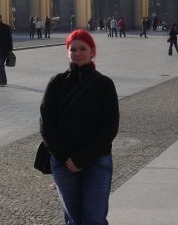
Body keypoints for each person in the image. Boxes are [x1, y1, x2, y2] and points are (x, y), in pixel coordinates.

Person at [40, 30, 119, 225]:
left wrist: (80, 158)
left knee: (94, 219)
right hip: (63, 162)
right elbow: (46, 124)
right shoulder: (56, 83)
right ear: (67, 52)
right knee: (74, 219)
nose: (78, 53)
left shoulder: (104, 84)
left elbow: (110, 127)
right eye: (73, 49)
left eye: (83, 48)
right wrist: (65, 157)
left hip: (97, 160)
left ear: (92, 51)